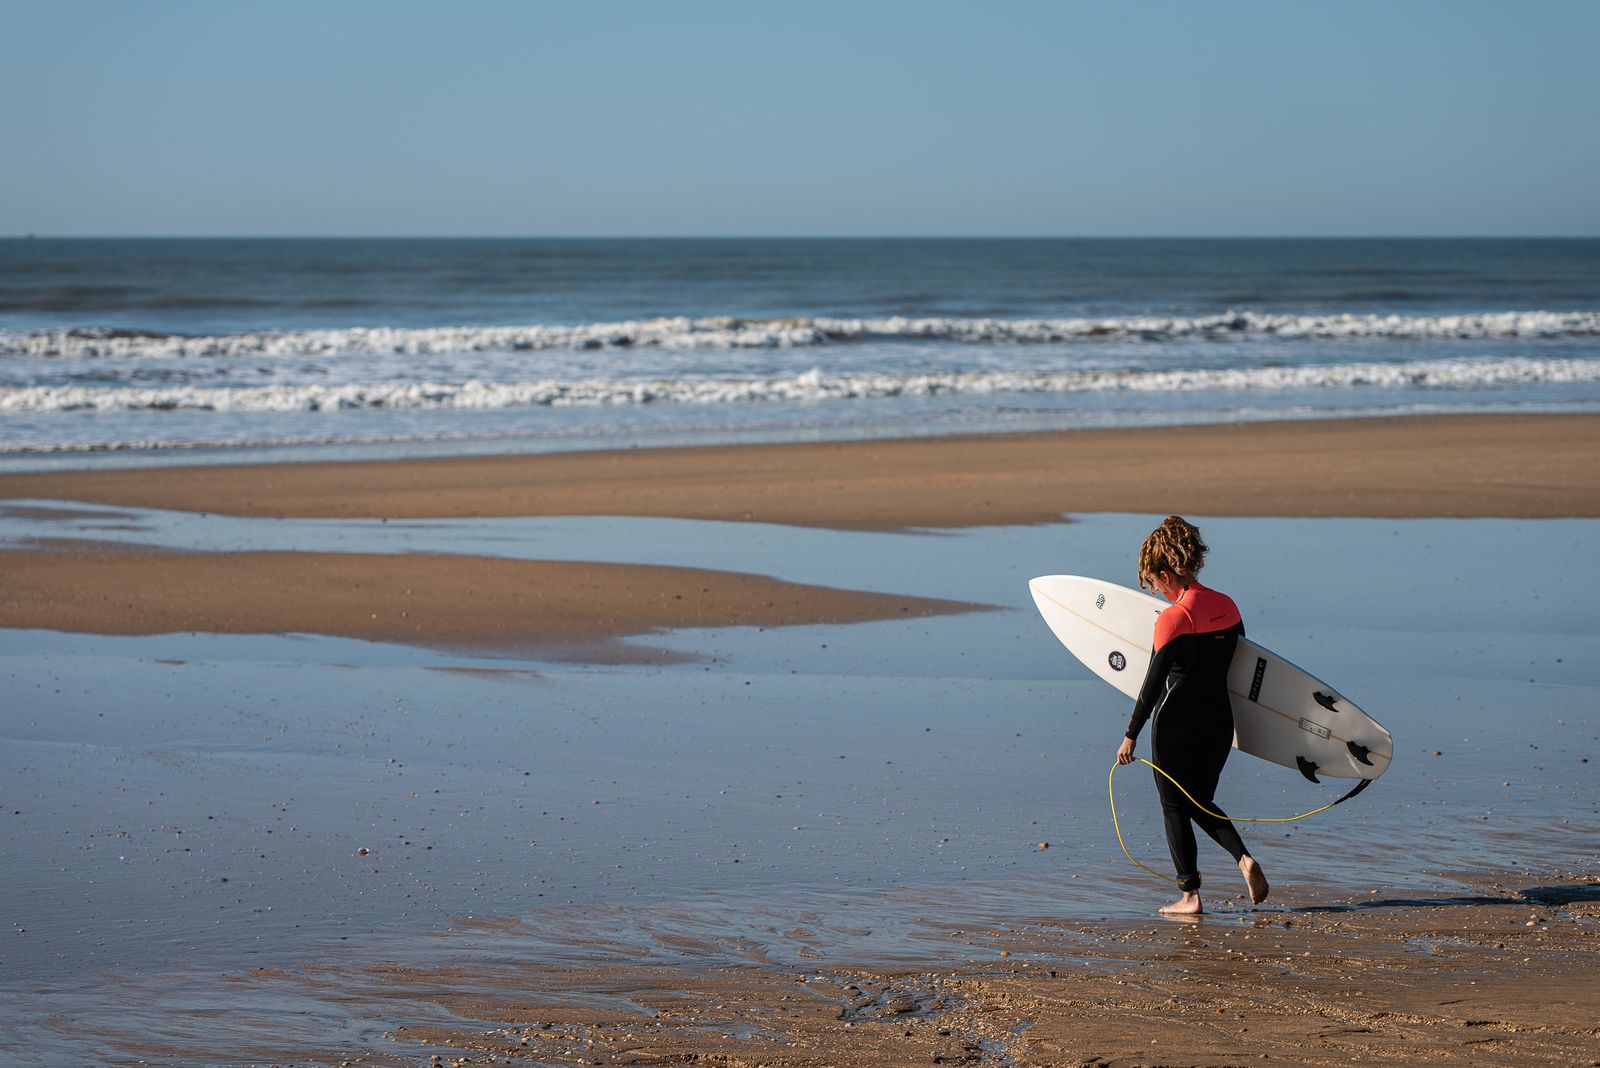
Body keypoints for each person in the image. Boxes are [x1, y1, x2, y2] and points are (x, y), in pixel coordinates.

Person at [1115, 516, 1269, 914]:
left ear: (1165, 574)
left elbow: (1152, 684)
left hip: (1176, 723)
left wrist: (1131, 734)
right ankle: (1243, 859)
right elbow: (1245, 663)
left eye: (1154, 582)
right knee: (1200, 799)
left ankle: (1190, 896)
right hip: (1220, 720)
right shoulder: (1227, 606)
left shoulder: (1172, 618)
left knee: (1173, 806)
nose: (1156, 591)